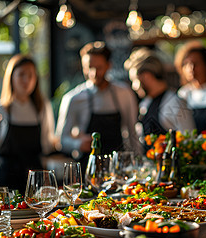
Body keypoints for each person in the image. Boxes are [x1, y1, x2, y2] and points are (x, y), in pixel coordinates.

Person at [56, 41, 142, 171]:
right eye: (89, 67)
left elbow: (132, 132)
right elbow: (61, 140)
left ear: (109, 66)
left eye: (99, 68)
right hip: (88, 168)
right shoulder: (73, 98)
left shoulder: (124, 93)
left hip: (118, 167)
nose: (94, 73)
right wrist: (78, 143)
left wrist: (138, 164)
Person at [0, 54, 57, 192]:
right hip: (7, 181)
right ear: (11, 77)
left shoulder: (42, 107)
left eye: (31, 75)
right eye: (21, 75)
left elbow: (47, 145)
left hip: (36, 180)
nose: (26, 80)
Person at [124, 48, 195, 140]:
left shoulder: (175, 103)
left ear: (147, 76)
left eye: (134, 80)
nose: (134, 86)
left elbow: (189, 140)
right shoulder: (146, 103)